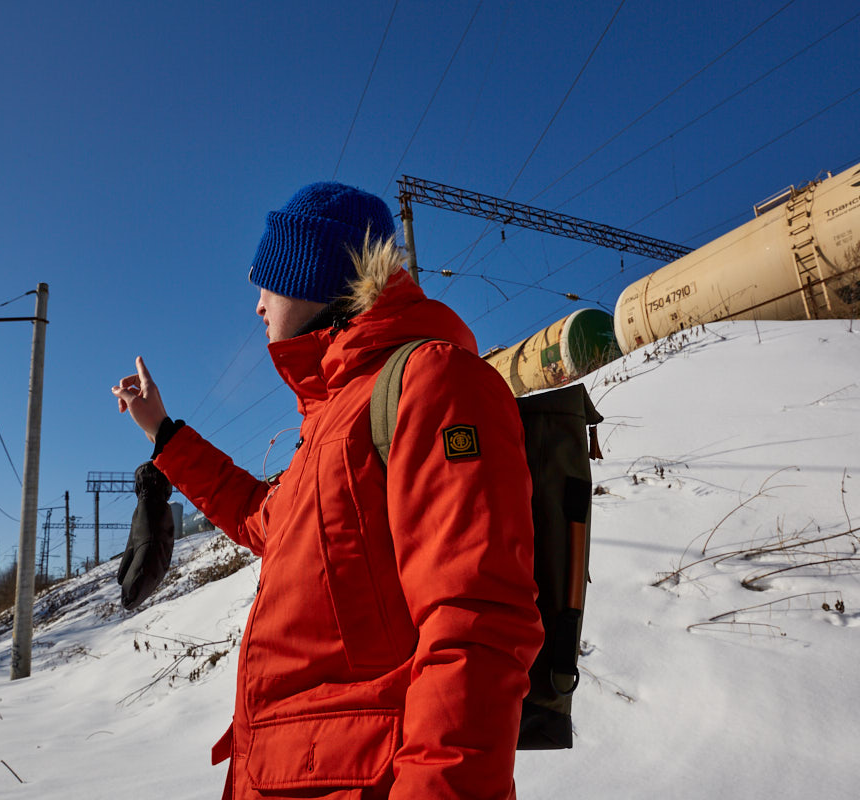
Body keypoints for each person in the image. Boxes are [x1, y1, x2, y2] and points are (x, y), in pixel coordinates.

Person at [112, 182, 542, 800]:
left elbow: (474, 630)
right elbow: (262, 517)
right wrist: (163, 432)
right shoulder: (331, 419)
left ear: (311, 279)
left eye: (267, 283)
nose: (258, 306)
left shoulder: (432, 383)